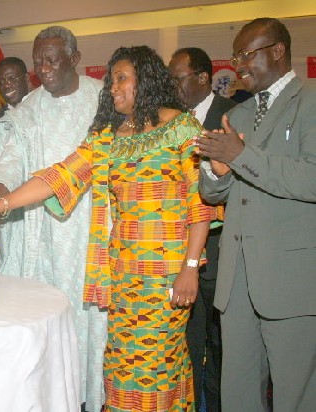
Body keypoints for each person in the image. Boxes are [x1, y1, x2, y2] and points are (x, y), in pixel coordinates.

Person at [0, 43, 218, 411]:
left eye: (122, 78)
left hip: (167, 277)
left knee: (158, 367)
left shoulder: (182, 128)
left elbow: (199, 202)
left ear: (147, 77)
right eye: (110, 82)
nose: (112, 88)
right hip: (122, 276)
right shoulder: (108, 138)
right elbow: (58, 177)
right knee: (122, 367)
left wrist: (189, 268)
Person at [0, 26, 107, 412]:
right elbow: (11, 164)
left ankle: (85, 399)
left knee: (84, 323)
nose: (44, 68)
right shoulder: (29, 108)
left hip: (86, 232)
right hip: (33, 229)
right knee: (38, 323)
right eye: (38, 62)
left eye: (52, 60)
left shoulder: (104, 99)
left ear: (75, 58)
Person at [195, 18, 316, 412]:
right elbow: (217, 194)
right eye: (236, 57)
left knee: (295, 395)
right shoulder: (240, 115)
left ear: (278, 51)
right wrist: (215, 172)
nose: (238, 65)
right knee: (237, 394)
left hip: (290, 281)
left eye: (247, 54)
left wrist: (240, 155)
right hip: (237, 281)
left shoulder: (311, 100)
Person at [169, 47, 236, 412]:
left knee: (223, 342)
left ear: (203, 78)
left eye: (178, 79)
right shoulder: (170, 122)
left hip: (223, 248)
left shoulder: (231, 115)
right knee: (190, 343)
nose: (173, 87)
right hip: (184, 253)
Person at [0, 56, 31, 123]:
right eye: (1, 81)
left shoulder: (43, 108)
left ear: (26, 78)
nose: (6, 85)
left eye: (12, 78)